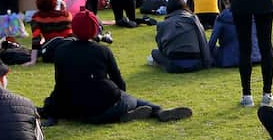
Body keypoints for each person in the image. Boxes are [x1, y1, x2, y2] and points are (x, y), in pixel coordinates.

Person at [42, 10, 191, 125]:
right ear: (95, 30)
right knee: (130, 99)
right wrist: (122, 94)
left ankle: (124, 115)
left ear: (73, 28)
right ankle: (157, 110)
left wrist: (53, 112)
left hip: (78, 112)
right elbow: (118, 81)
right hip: (104, 106)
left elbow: (60, 84)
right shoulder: (102, 51)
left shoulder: (61, 50)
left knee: (114, 99)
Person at [151, 0, 212, 73]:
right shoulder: (194, 20)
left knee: (154, 52)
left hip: (174, 65)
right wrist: (207, 62)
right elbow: (203, 42)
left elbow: (161, 48)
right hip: (196, 64)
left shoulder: (162, 24)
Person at [27, 0, 73, 64]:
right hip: (69, 51)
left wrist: (33, 60)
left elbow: (36, 40)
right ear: (55, 1)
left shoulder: (37, 18)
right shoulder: (67, 15)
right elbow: (70, 34)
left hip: (51, 53)